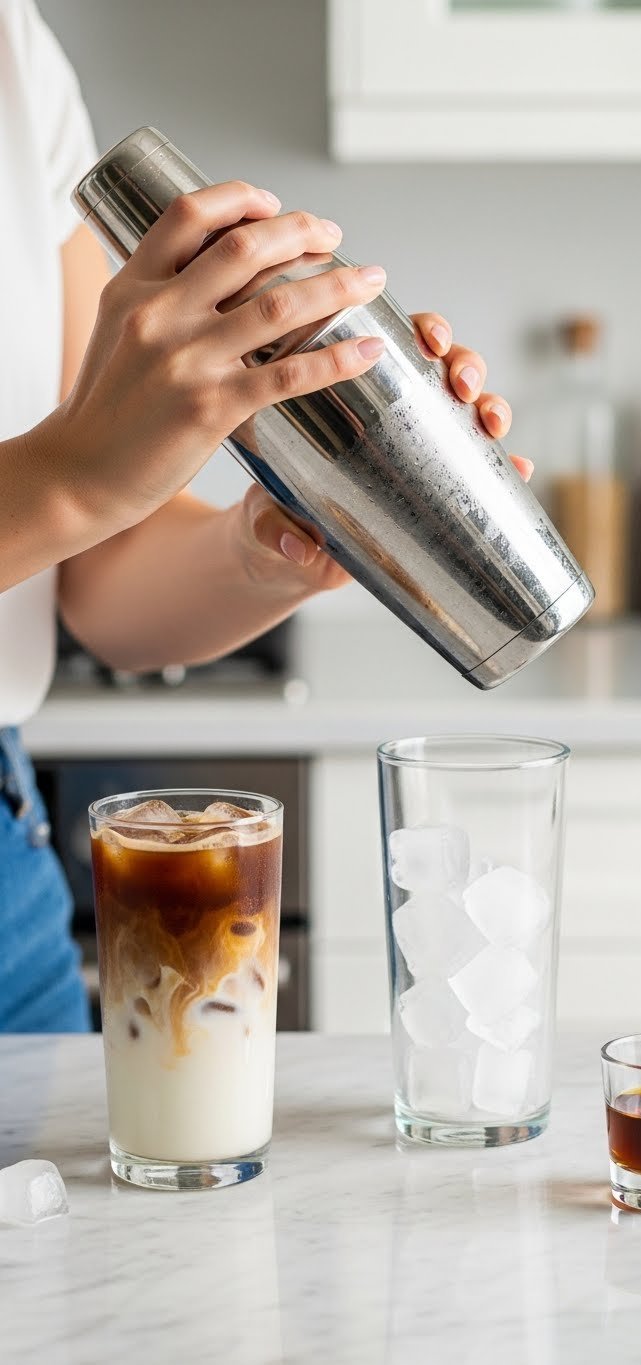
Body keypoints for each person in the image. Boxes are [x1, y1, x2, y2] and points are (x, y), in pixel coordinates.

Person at [0, 0, 530, 1032]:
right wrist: (75, 477)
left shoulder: (16, 53)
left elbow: (93, 579)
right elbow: (71, 489)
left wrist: (276, 546)